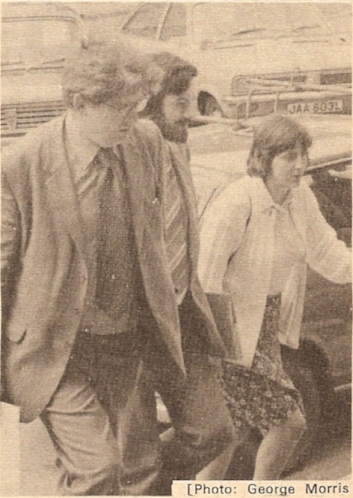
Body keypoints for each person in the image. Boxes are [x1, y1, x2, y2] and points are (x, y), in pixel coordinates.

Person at [1, 37, 233, 496]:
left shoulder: (145, 141)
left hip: (128, 337)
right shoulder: (21, 164)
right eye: (123, 109)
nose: (136, 118)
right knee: (99, 472)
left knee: (203, 437)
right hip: (57, 348)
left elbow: (151, 241)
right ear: (79, 103)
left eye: (140, 106)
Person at [198, 114, 352, 479]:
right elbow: (205, 277)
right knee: (290, 422)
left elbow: (326, 252)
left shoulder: (300, 199)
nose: (300, 166)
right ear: (264, 158)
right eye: (289, 157)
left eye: (303, 155)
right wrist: (215, 349)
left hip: (263, 326)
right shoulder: (237, 203)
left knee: (231, 433)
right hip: (227, 330)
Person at [140, 52, 236, 489]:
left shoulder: (178, 144)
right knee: (131, 449)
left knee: (215, 430)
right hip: (137, 318)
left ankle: (145, 486)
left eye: (191, 97)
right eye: (178, 99)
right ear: (149, 99)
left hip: (183, 313)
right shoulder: (130, 149)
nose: (189, 108)